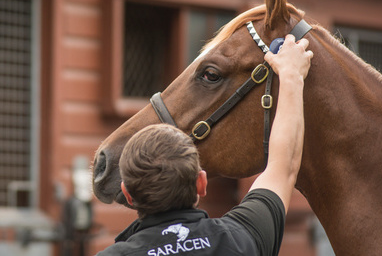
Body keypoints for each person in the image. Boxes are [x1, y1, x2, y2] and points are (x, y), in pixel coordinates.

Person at [96, 34, 313, 256]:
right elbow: (284, 166)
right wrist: (292, 76)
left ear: (128, 194)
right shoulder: (242, 239)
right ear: (201, 182)